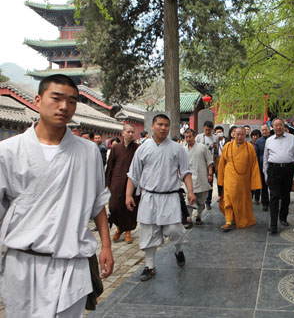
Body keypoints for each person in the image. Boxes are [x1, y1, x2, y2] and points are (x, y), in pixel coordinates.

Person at [0, 74, 114, 317]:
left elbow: (97, 204)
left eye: (72, 101)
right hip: (23, 263)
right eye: (57, 98)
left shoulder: (88, 152)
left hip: (72, 264)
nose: (64, 107)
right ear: (38, 100)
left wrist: (106, 245)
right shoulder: (8, 152)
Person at [126, 114, 196, 281]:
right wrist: (129, 194)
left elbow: (185, 172)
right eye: (160, 124)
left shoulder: (177, 148)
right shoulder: (143, 148)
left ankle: (178, 249)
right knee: (148, 232)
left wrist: (191, 191)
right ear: (152, 126)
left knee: (175, 230)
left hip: (170, 196)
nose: (163, 128)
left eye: (166, 125)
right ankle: (150, 266)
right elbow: (133, 174)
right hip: (149, 197)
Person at [263, 118, 294, 233]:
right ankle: (273, 224)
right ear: (273, 127)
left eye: (280, 125)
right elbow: (266, 158)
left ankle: (283, 217)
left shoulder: (291, 138)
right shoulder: (269, 140)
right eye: (276, 125)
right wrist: (265, 174)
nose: (278, 127)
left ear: (283, 126)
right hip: (273, 170)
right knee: (274, 196)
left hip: (287, 170)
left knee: (286, 196)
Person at [218, 127, 262, 231]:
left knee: (243, 201)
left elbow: (254, 165)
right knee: (228, 198)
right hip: (229, 178)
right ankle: (229, 221)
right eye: (237, 134)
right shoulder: (227, 146)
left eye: (242, 134)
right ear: (233, 135)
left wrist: (254, 180)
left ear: (245, 135)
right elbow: (221, 164)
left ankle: (242, 219)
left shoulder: (250, 147)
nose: (239, 137)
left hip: (244, 179)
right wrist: (220, 178)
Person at [106, 124, 140, 244]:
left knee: (130, 206)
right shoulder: (116, 148)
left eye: (132, 132)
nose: (131, 134)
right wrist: (108, 182)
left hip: (132, 181)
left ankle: (128, 232)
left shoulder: (138, 148)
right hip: (117, 181)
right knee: (114, 206)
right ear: (123, 133)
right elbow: (110, 165)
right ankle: (120, 228)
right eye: (128, 132)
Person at [183, 128, 214, 225]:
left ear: (194, 136)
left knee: (201, 200)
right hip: (189, 178)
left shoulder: (202, 147)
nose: (188, 139)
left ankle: (199, 216)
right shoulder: (183, 149)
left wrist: (210, 174)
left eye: (190, 136)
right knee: (189, 199)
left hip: (201, 176)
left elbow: (209, 162)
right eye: (186, 137)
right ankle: (188, 216)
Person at [254, 123, 271, 211]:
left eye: (266, 129)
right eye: (263, 130)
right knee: (264, 186)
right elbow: (256, 155)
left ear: (269, 129)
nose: (264, 131)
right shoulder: (258, 141)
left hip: (273, 166)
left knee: (273, 186)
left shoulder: (273, 139)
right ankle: (265, 203)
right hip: (262, 167)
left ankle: (273, 202)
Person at [214, 126, 226, 201]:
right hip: (217, 161)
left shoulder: (227, 140)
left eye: (220, 132)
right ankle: (220, 194)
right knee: (219, 178)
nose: (219, 134)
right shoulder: (214, 141)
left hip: (226, 161)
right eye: (217, 132)